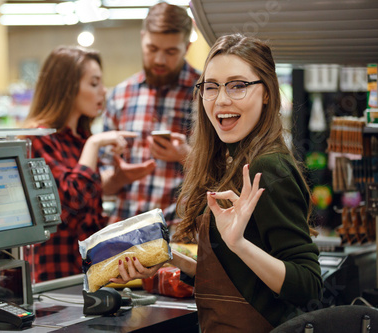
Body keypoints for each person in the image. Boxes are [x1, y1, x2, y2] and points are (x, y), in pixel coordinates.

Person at [110, 34, 323, 332]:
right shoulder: (235, 160)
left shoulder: (267, 167)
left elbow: (308, 286)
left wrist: (239, 244)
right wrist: (169, 259)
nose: (222, 100)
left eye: (238, 86)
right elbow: (240, 278)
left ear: (266, 93)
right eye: (211, 87)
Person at [23, 46, 156, 282]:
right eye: (94, 84)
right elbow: (71, 202)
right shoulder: (36, 140)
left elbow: (86, 197)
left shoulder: (79, 138)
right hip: (55, 274)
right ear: (67, 88)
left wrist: (118, 180)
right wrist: (94, 144)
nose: (103, 91)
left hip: (87, 271)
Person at [101, 2, 200, 227]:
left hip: (180, 237)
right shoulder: (120, 95)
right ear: (142, 37)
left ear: (187, 46)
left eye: (171, 51)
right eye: (152, 49)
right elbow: (102, 184)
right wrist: (118, 177)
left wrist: (186, 155)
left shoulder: (207, 93)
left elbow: (228, 175)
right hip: (124, 235)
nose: (159, 60)